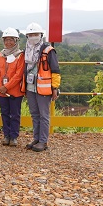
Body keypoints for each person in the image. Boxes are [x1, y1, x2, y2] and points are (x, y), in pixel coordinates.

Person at [23, 22, 60, 152]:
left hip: (44, 88)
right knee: (34, 114)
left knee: (44, 115)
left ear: (41, 35)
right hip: (31, 87)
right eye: (30, 35)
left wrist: (55, 87)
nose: (33, 37)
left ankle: (43, 141)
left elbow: (55, 70)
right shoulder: (27, 50)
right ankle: (36, 138)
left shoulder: (48, 50)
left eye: (35, 34)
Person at [0, 27, 26, 147]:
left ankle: (14, 136)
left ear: (16, 41)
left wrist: (6, 86)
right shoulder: (1, 55)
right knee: (4, 113)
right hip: (2, 91)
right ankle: (6, 135)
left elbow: (19, 75)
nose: (8, 42)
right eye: (6, 40)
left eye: (11, 40)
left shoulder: (20, 55)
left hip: (15, 92)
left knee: (15, 114)